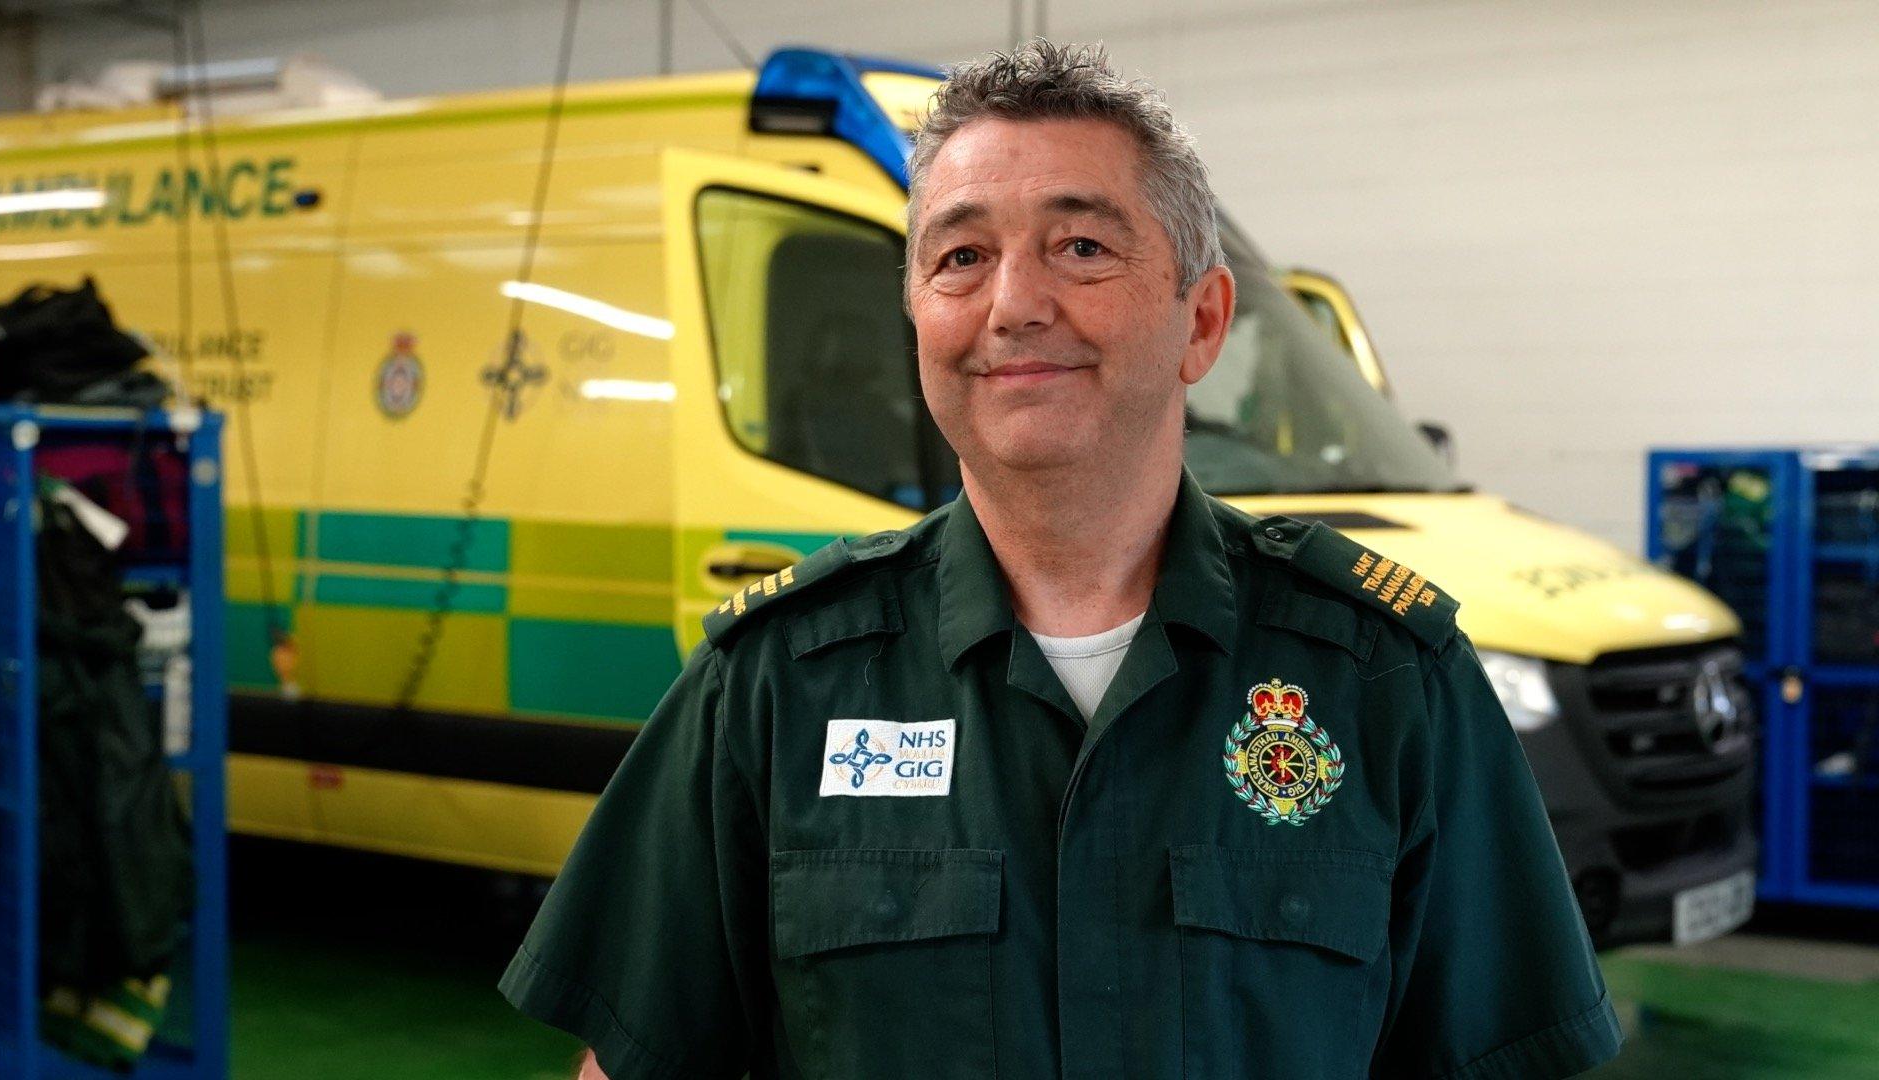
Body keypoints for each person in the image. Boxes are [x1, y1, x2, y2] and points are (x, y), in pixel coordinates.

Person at [500, 38, 1623, 1080]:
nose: (1014, 304)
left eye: (1081, 246)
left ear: (1202, 321)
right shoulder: (774, 687)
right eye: (961, 256)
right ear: (916, 316)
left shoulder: (1387, 683)